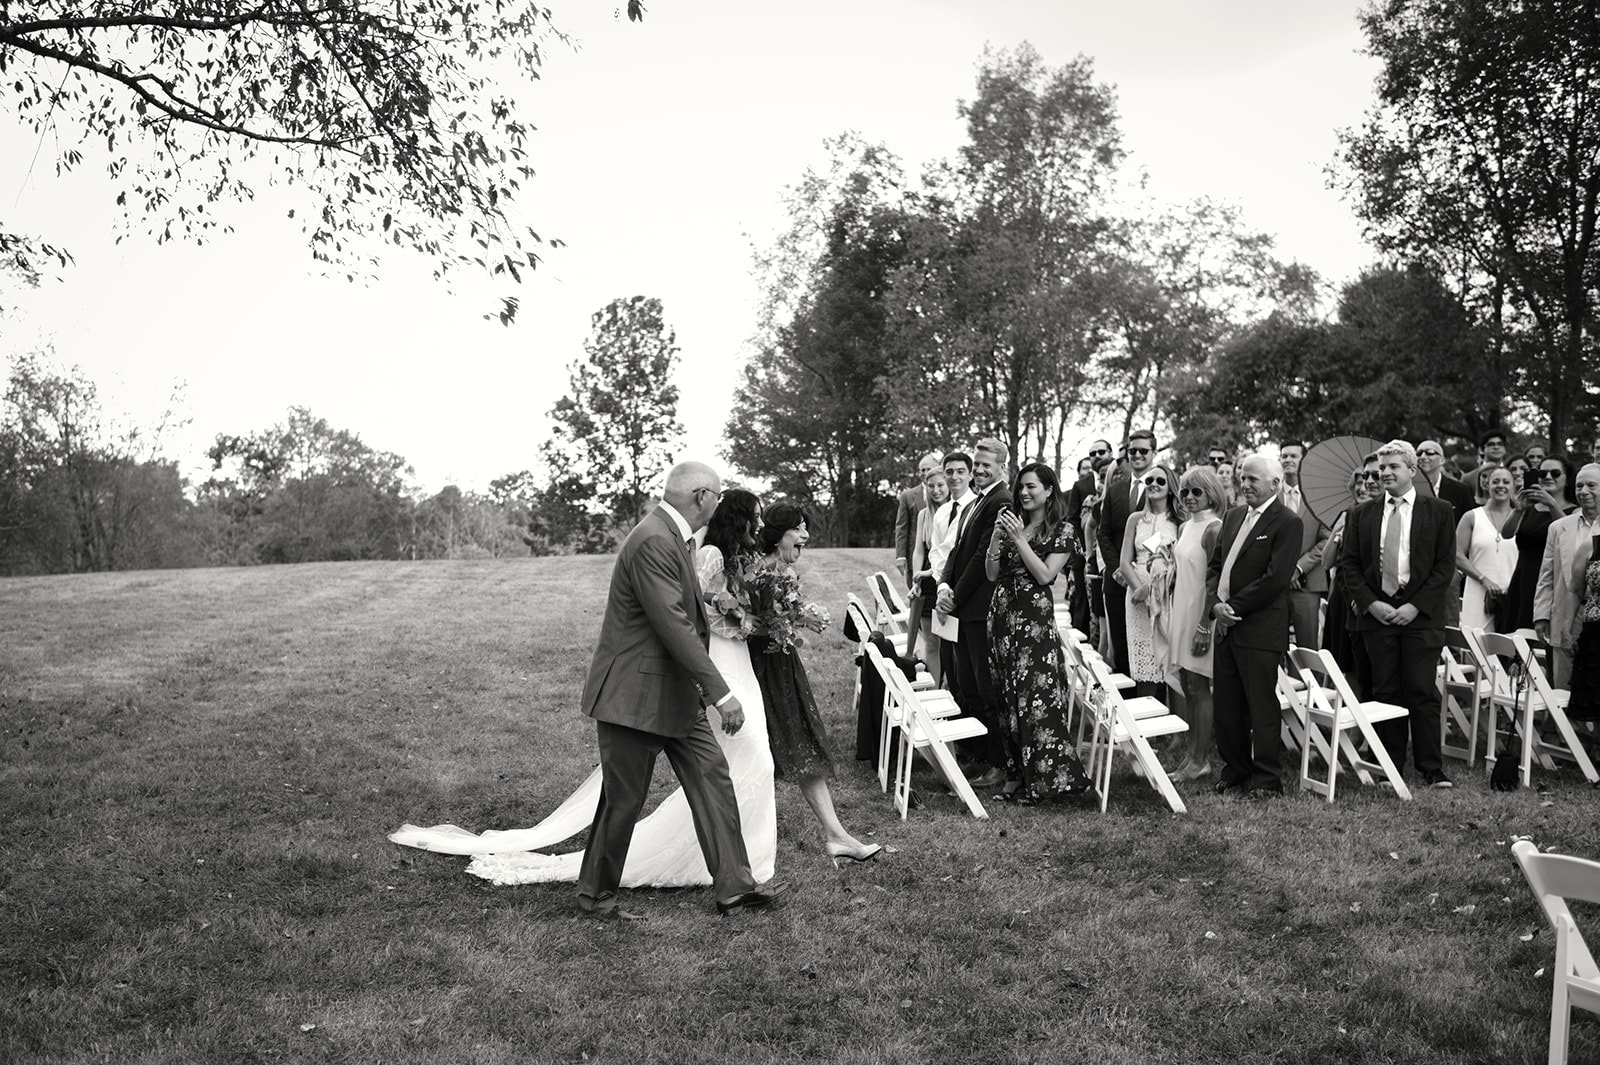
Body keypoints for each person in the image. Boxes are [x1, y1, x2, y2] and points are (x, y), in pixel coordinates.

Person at [747, 502, 882, 864]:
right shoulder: (754, 574)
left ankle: (836, 834)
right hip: (757, 669)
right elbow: (746, 625)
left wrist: (796, 619)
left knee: (801, 740)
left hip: (783, 666)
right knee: (757, 753)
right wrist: (785, 621)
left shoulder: (784, 574)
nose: (806, 535)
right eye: (799, 528)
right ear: (779, 535)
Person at [1341, 440, 1458, 788]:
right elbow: (1349, 565)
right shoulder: (1361, 514)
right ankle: (1388, 763)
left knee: (1421, 691)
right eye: (1381, 468)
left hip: (1420, 617)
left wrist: (1414, 606)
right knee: (1385, 691)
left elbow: (1444, 566)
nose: (1385, 473)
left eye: (1393, 467)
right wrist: (1371, 604)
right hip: (1376, 616)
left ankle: (1431, 768)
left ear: (1411, 470)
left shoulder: (1438, 511)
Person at [983, 462, 1092, 802]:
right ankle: (1016, 776)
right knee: (1007, 699)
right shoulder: (1012, 525)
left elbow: (1045, 575)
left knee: (1035, 701)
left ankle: (1044, 781)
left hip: (1033, 624)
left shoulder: (1062, 530)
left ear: (1048, 490)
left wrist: (1019, 538)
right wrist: (997, 540)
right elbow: (991, 574)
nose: (1024, 493)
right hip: (1001, 619)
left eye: (1032, 487)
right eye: (1021, 487)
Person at [1204, 454, 1302, 797]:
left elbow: (1275, 579)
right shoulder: (1231, 517)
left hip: (1260, 628)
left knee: (1261, 707)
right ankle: (1235, 771)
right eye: (1242, 478)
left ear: (1275, 484)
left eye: (1252, 480)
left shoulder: (1287, 522)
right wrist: (1215, 604)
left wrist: (1232, 606)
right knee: (1227, 706)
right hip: (1226, 624)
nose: (1244, 484)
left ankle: (1266, 779)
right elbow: (1215, 566)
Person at [937, 438, 1015, 789]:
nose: (980, 469)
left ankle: (1000, 763)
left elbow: (983, 555)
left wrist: (956, 594)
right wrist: (943, 585)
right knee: (967, 686)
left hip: (980, 608)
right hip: (962, 607)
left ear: (1001, 466)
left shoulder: (1001, 500)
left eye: (986, 465)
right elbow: (956, 551)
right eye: (977, 464)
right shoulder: (977, 500)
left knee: (987, 688)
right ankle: (982, 754)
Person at [1171, 465, 1226, 781]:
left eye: (1197, 491)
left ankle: (1200, 759)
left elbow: (1215, 581)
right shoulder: (1184, 528)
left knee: (1200, 686)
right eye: (1185, 491)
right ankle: (1192, 756)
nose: (1189, 497)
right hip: (1181, 610)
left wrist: (1205, 625)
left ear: (1211, 493)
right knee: (1188, 686)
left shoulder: (1214, 529)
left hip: (1201, 616)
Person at [1533, 463, 1600, 687]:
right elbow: (1547, 575)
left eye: (1591, 485)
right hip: (1565, 614)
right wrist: (1541, 615)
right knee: (1563, 688)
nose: (1584, 491)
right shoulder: (1559, 527)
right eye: (1579, 485)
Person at [1119, 461, 1182, 699]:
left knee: (1170, 656)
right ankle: (1149, 725)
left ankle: (1177, 729)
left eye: (1160, 481)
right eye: (1149, 481)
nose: (1154, 484)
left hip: (1169, 593)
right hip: (1137, 595)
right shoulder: (1135, 519)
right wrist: (1140, 590)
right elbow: (1125, 562)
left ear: (1170, 487)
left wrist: (1157, 589)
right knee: (1144, 658)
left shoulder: (1179, 522)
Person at [1098, 429, 1158, 677]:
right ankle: (1125, 710)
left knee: (1150, 649)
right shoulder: (1115, 490)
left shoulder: (1161, 488)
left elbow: (1164, 529)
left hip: (1148, 580)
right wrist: (1117, 569)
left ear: (1153, 453)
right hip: (1116, 581)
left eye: (1143, 451)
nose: (1137, 455)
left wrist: (1137, 569)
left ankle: (1152, 707)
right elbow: (1104, 534)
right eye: (1132, 451)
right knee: (1120, 650)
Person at [1499, 454, 1577, 632]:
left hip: (1552, 582)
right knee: (1516, 639)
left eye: (1555, 473)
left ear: (1566, 479)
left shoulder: (1575, 510)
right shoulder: (1529, 508)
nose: (1548, 477)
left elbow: (1568, 537)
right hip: (1523, 579)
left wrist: (1552, 505)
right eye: (1542, 473)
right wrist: (1518, 510)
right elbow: (1506, 534)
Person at [1323, 461, 1377, 692]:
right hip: (1343, 597)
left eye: (1367, 482)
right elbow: (1326, 562)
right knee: (1344, 663)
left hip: (1369, 599)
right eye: (1358, 483)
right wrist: (1338, 533)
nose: (1362, 487)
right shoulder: (1346, 515)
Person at [1278, 441, 1331, 650]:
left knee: (1308, 646)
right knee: (1274, 645)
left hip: (1308, 584)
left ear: (1304, 461)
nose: (1288, 460)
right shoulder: (1270, 496)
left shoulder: (1317, 497)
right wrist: (1284, 572)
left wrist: (1298, 568)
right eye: (1284, 456)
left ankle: (1312, 684)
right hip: (1275, 584)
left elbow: (1326, 539)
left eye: (1293, 456)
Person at [1456, 466, 1518, 632]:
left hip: (1512, 594)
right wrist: (1483, 579)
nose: (1501, 485)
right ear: (1486, 485)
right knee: (1478, 646)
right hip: (1478, 591)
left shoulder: (1521, 517)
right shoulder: (1472, 516)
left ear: (1513, 486)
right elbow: (1457, 555)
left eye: (1506, 482)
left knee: (1512, 648)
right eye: (1495, 481)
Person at [906, 468, 952, 680]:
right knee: (931, 642)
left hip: (947, 582)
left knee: (950, 642)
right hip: (927, 584)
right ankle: (935, 689)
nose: (936, 490)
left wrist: (927, 572)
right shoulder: (924, 515)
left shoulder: (957, 511)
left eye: (940, 485)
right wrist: (917, 576)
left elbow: (950, 555)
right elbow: (918, 550)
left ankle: (952, 690)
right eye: (931, 486)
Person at [894, 451, 944, 589]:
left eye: (929, 469)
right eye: (922, 470)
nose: (925, 472)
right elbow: (901, 527)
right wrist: (901, 556)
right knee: (916, 597)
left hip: (940, 562)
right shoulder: (907, 496)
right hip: (915, 556)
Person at [1416, 439, 1475, 522]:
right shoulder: (1407, 489)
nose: (1422, 456)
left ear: (1442, 460)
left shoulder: (1461, 491)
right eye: (1418, 453)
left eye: (1430, 452)